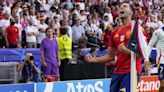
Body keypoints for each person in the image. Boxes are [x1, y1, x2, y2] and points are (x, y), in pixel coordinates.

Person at [86, 3, 146, 92]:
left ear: (131, 13)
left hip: (131, 71)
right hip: (117, 72)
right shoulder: (114, 33)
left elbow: (144, 53)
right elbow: (110, 56)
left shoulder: (137, 29)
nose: (121, 7)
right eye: (120, 7)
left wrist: (127, 51)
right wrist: (93, 60)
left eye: (125, 6)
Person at [145, 26, 164, 92]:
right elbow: (150, 45)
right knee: (162, 85)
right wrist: (146, 59)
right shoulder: (158, 32)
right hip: (161, 61)